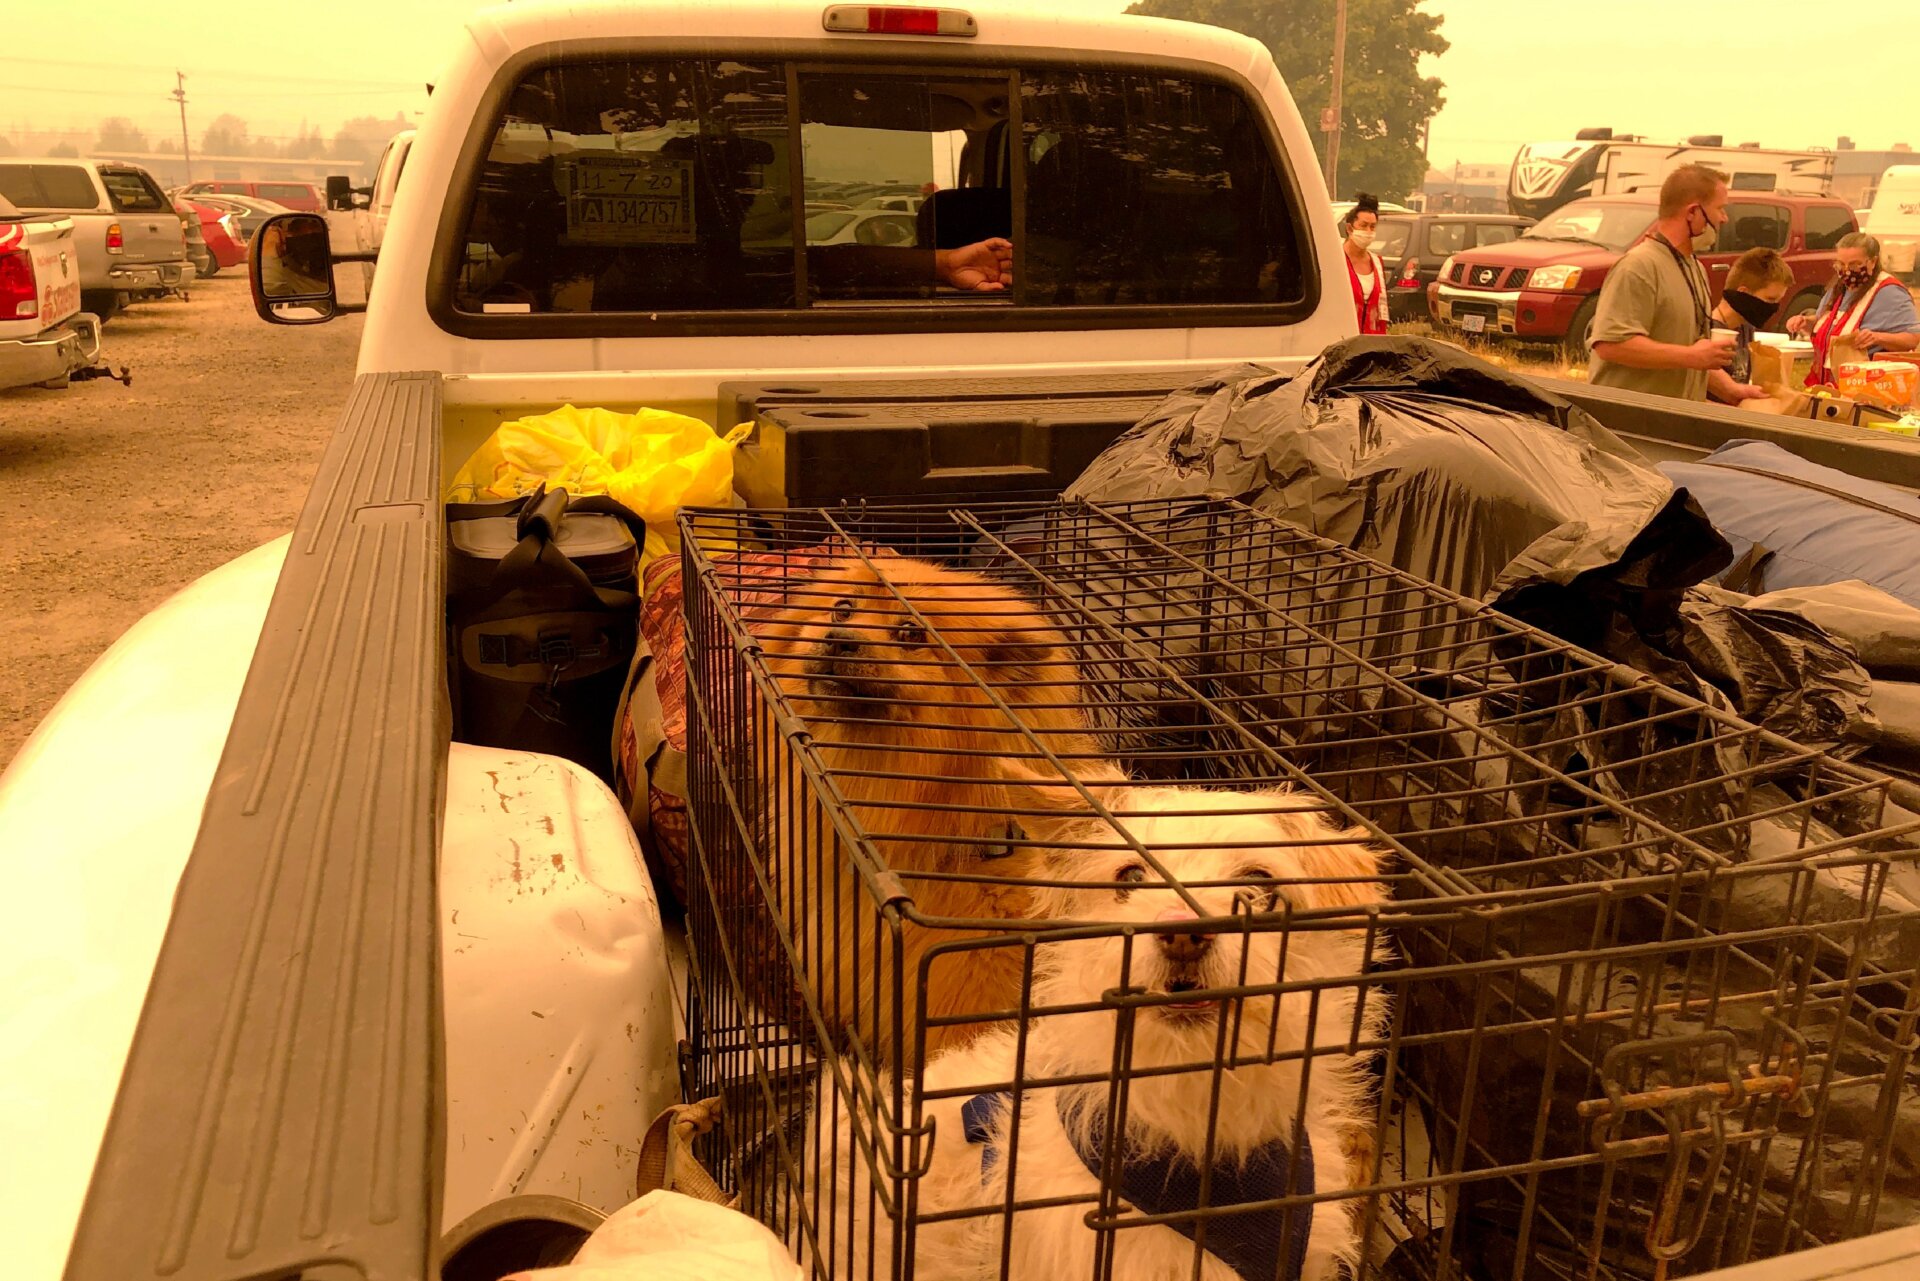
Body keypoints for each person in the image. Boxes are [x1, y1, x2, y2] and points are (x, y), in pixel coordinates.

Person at [1587, 164, 1744, 403]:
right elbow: (1611, 345)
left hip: (1673, 423)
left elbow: (1689, 353)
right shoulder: (1639, 266)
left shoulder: (1695, 267)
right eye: (1720, 209)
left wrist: (1734, 392)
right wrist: (1692, 356)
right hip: (1626, 427)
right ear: (1693, 212)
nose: (1724, 218)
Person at [1784, 232, 1920, 386]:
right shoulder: (1839, 288)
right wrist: (1805, 322)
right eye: (1841, 264)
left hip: (1865, 386)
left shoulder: (1890, 292)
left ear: (1873, 262)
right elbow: (1828, 323)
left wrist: (1877, 337)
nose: (1847, 270)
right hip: (1826, 384)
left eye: (1855, 264)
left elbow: (1912, 339)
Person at [1706, 246, 1796, 401]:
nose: (1774, 308)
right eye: (1770, 300)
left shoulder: (1745, 326)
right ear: (1744, 293)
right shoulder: (1708, 330)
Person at [1339, 193, 1390, 335]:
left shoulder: (1377, 263)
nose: (1368, 231)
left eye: (1372, 227)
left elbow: (1381, 310)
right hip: (1343, 340)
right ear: (1350, 228)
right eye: (1363, 226)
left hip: (1371, 343)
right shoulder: (1337, 261)